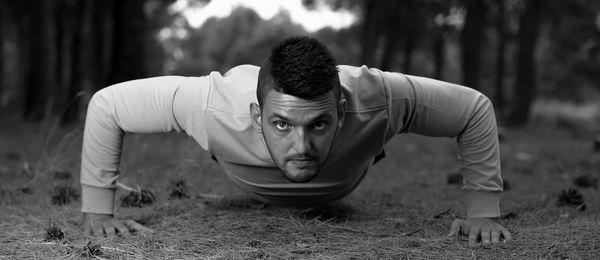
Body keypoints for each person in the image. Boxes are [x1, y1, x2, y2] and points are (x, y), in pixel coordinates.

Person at [81, 36, 511, 246]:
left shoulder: (378, 97)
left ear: (342, 112)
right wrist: (99, 211)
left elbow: (473, 109)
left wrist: (484, 214)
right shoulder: (212, 104)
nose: (301, 146)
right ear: (255, 116)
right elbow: (107, 106)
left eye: (319, 125)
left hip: (347, 178)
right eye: (282, 125)